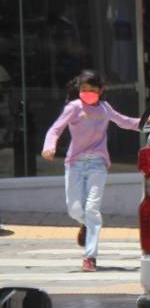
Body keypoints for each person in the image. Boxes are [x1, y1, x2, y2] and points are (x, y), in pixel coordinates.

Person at [40, 70, 141, 272]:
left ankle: (90, 256)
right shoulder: (74, 107)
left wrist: (146, 122)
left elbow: (124, 121)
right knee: (75, 209)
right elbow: (55, 129)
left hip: (98, 163)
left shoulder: (104, 108)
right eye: (83, 90)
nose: (87, 93)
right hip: (75, 163)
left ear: (100, 90)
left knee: (92, 210)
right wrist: (49, 146)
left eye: (92, 90)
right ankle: (86, 224)